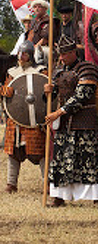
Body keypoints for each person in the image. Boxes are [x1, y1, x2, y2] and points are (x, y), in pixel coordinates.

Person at [44, 35, 98, 206]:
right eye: (60, 55)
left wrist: (59, 112)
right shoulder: (59, 70)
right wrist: (49, 91)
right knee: (62, 160)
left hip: (84, 121)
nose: (61, 58)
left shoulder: (87, 68)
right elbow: (55, 94)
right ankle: (59, 196)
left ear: (73, 52)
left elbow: (82, 95)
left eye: (64, 54)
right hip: (65, 125)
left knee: (88, 160)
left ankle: (96, 198)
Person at [1, 41, 47, 193]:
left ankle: (46, 183)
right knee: (13, 152)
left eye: (25, 53)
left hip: (34, 120)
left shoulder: (40, 71)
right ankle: (11, 183)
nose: (21, 57)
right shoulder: (12, 72)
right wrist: (4, 91)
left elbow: (47, 92)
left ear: (31, 55)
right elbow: (5, 90)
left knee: (40, 151)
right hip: (15, 119)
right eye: (20, 54)